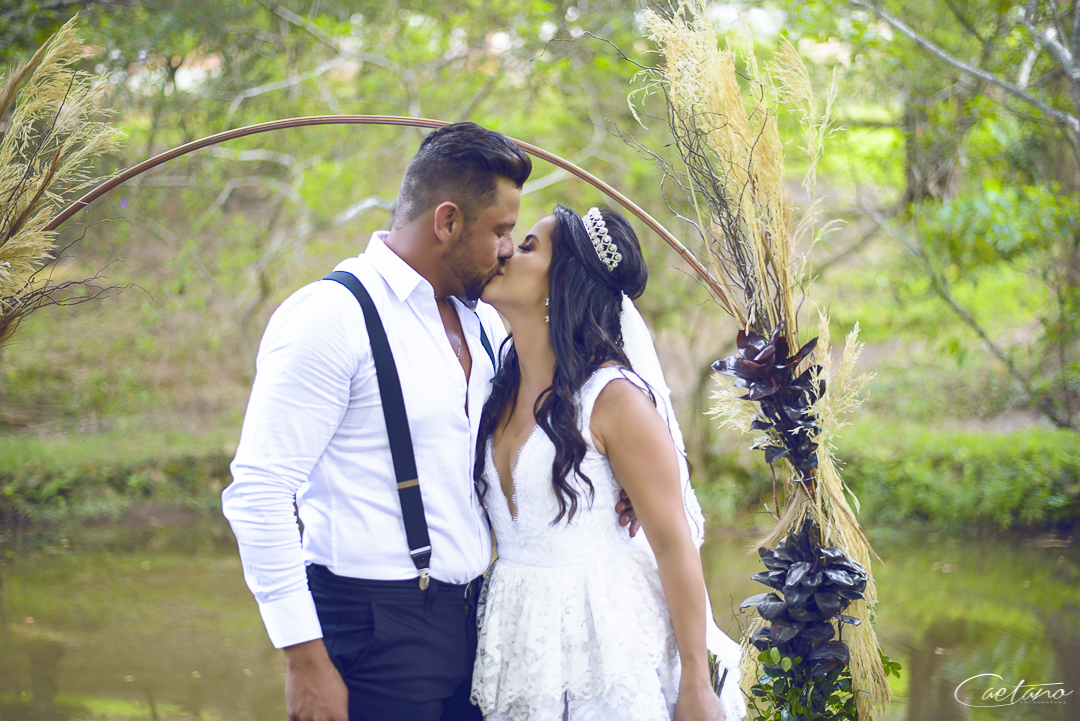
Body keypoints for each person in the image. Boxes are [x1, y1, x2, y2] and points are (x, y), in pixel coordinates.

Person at [222, 122, 534, 721]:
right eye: (500, 230)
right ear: (448, 222)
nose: (507, 249)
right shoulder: (330, 317)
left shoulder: (484, 321)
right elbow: (259, 493)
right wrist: (304, 659)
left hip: (477, 622)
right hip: (371, 629)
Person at [469, 205, 746, 720]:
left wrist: (696, 680)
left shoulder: (613, 399)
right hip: (519, 631)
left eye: (528, 246)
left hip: (605, 635)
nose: (506, 250)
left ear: (562, 283)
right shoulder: (495, 385)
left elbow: (673, 542)